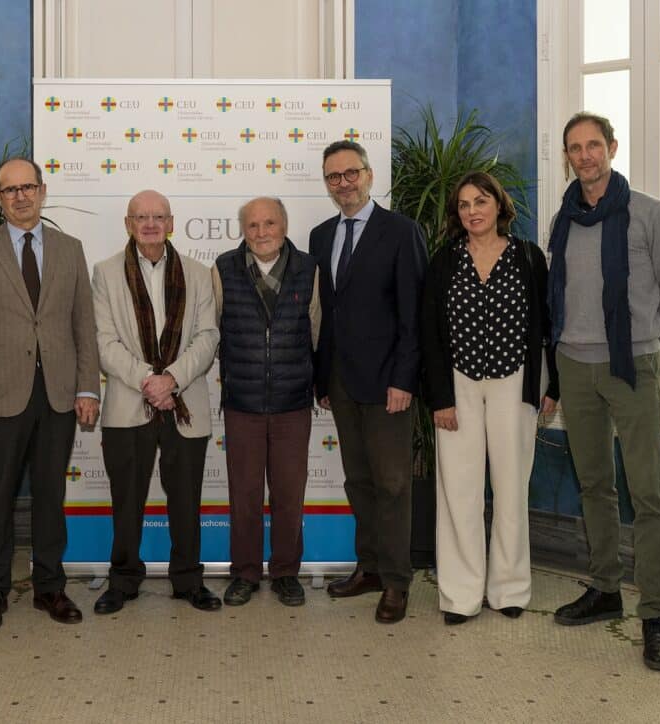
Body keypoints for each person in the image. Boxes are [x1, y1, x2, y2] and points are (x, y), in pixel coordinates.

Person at [549, 112, 660, 671]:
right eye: (574, 148)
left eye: (593, 145)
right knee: (594, 484)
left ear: (611, 147)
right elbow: (559, 300)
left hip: (632, 366)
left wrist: (644, 347)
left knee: (648, 492)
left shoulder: (649, 214)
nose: (584, 156)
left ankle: (656, 611)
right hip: (574, 366)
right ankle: (605, 589)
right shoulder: (562, 220)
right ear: (567, 156)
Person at [0, 157, 100, 629]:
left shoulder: (69, 248)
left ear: (42, 189)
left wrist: (86, 387)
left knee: (49, 495)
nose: (20, 196)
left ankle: (50, 588)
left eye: (28, 187)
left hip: (58, 395)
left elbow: (83, 324)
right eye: (9, 189)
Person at [420, 172, 559, 625]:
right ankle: (460, 596)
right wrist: (440, 397)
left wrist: (551, 386)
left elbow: (546, 325)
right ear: (456, 215)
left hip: (515, 384)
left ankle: (509, 588)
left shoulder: (527, 257)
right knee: (458, 491)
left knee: (511, 486)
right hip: (457, 387)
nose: (472, 211)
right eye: (463, 205)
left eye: (481, 201)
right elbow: (430, 336)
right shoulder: (444, 261)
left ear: (499, 205)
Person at [310, 140, 427, 624]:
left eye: (351, 173)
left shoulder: (402, 231)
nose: (344, 183)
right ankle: (371, 568)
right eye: (334, 177)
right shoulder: (320, 236)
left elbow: (413, 314)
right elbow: (326, 315)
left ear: (369, 175)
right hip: (340, 381)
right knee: (358, 480)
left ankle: (398, 582)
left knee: (394, 483)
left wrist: (404, 379)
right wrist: (322, 378)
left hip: (388, 386)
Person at [91, 190, 221, 615]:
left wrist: (173, 379)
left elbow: (208, 338)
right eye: (141, 217)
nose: (150, 224)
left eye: (158, 216)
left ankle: (188, 579)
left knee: (185, 498)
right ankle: (123, 580)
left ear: (171, 222)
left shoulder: (200, 274)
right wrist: (149, 380)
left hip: (185, 403)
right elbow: (104, 341)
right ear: (129, 224)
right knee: (126, 499)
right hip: (130, 402)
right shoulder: (106, 273)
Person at [212, 197, 320, 607]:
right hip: (243, 402)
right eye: (253, 225)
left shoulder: (309, 269)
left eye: (269, 223)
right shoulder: (222, 269)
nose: (261, 233)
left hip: (293, 403)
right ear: (243, 230)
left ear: (285, 225)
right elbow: (213, 331)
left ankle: (286, 572)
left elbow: (317, 332)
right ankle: (244, 572)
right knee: (244, 493)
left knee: (290, 494)